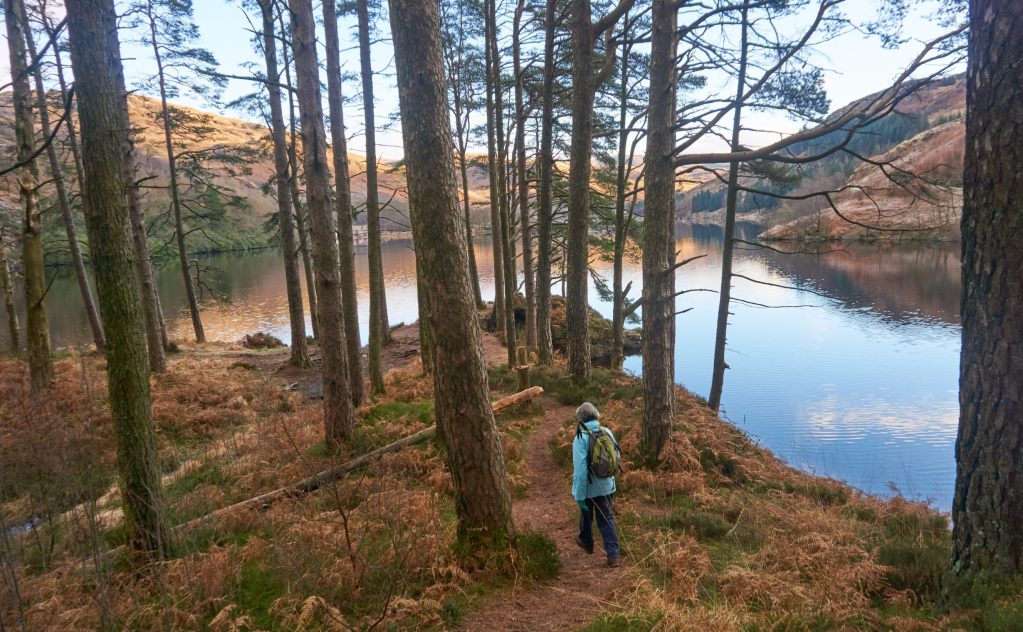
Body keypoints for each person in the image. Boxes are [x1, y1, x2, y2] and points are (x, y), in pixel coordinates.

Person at [572, 402, 621, 567]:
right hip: (607, 486)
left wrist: (579, 495)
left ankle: (587, 542)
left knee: (586, 514)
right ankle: (613, 555)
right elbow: (617, 455)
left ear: (581, 418)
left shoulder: (580, 436)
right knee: (607, 518)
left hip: (589, 488)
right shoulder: (606, 431)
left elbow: (580, 471)